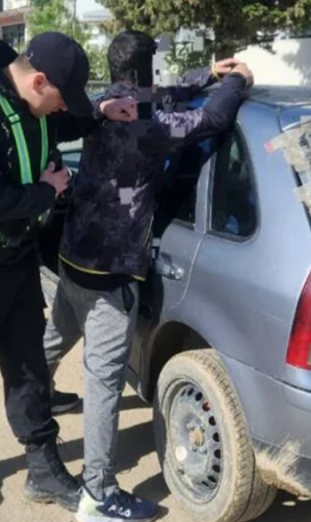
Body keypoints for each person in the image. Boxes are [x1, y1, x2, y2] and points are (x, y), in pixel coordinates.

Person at [0, 32, 137, 513]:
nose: (61, 110)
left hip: (16, 263)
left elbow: (66, 122)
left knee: (29, 369)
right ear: (38, 81)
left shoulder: (29, 105)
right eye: (59, 98)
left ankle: (43, 467)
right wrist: (46, 191)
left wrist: (101, 110)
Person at [43, 30, 253, 522]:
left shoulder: (106, 104)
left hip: (73, 256)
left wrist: (207, 74)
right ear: (147, 68)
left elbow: (162, 94)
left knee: (55, 337)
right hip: (111, 273)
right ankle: (97, 493)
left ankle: (31, 404)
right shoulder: (149, 124)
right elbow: (211, 119)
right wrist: (237, 82)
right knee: (103, 382)